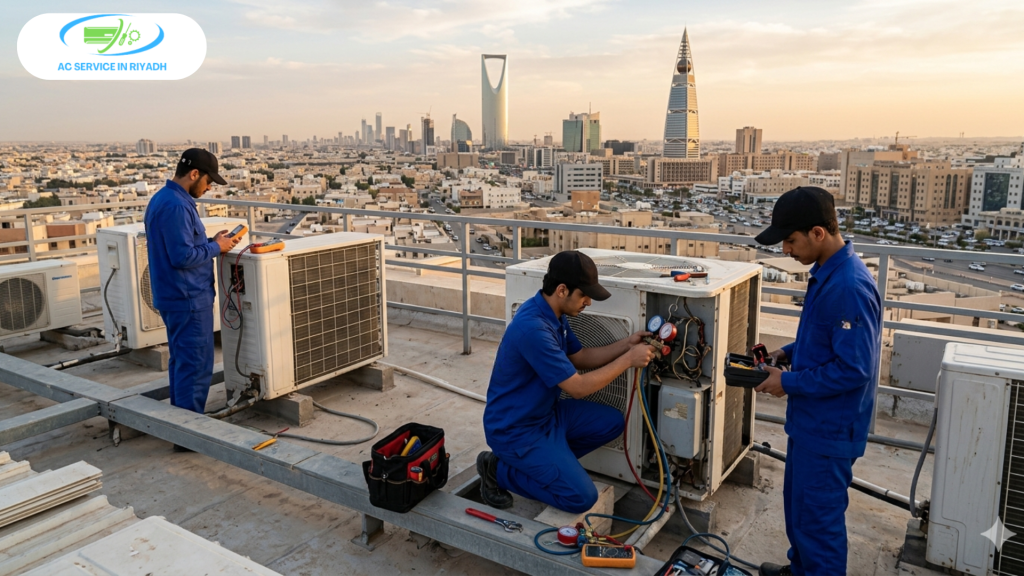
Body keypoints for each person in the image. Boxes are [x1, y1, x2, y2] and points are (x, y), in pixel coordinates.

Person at [752, 187, 882, 576]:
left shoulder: (849, 287)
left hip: (829, 431)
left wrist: (787, 384)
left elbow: (854, 368)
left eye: (790, 241)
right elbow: (823, 338)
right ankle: (799, 570)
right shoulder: (828, 274)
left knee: (818, 524)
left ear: (818, 233)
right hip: (811, 425)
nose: (786, 251)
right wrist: (785, 354)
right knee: (800, 513)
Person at [478, 250, 656, 512]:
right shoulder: (534, 329)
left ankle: (550, 463)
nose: (589, 302)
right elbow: (577, 388)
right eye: (584, 295)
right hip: (515, 430)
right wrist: (629, 360)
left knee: (611, 423)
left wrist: (627, 344)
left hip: (544, 417)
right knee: (581, 498)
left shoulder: (554, 315)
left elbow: (581, 356)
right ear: (562, 290)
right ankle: (497, 470)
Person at [144, 149, 239, 448]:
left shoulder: (165, 198)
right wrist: (218, 248)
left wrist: (212, 242)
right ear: (194, 174)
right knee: (195, 365)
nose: (209, 188)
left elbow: (184, 245)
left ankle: (180, 425)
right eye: (209, 181)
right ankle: (188, 435)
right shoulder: (175, 206)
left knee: (182, 362)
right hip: (186, 298)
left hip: (175, 295)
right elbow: (182, 256)